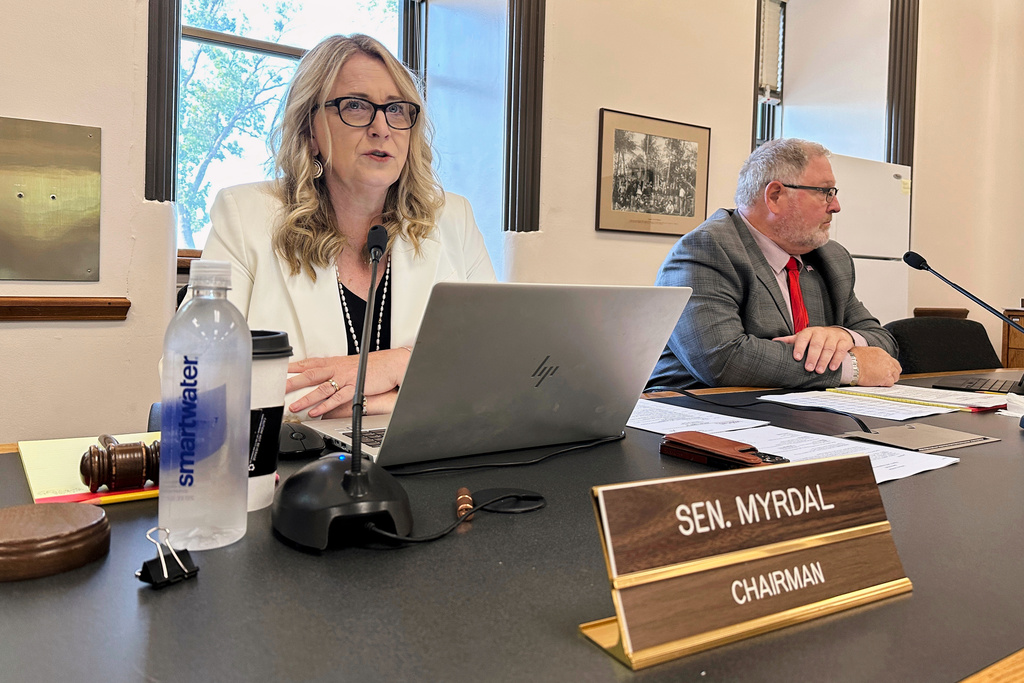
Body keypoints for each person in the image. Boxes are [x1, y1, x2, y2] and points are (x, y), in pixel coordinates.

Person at [202, 34, 496, 420]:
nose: (381, 128)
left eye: (397, 109)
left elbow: (496, 368)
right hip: (297, 454)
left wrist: (398, 364)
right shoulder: (245, 215)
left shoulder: (453, 218)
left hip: (428, 449)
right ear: (310, 132)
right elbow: (201, 383)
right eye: (356, 106)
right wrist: (398, 392)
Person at [646, 138, 901, 391]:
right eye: (824, 192)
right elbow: (723, 359)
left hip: (799, 406)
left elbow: (883, 342)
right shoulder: (706, 249)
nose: (835, 206)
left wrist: (843, 336)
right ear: (775, 196)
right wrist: (850, 367)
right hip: (700, 406)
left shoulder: (831, 258)